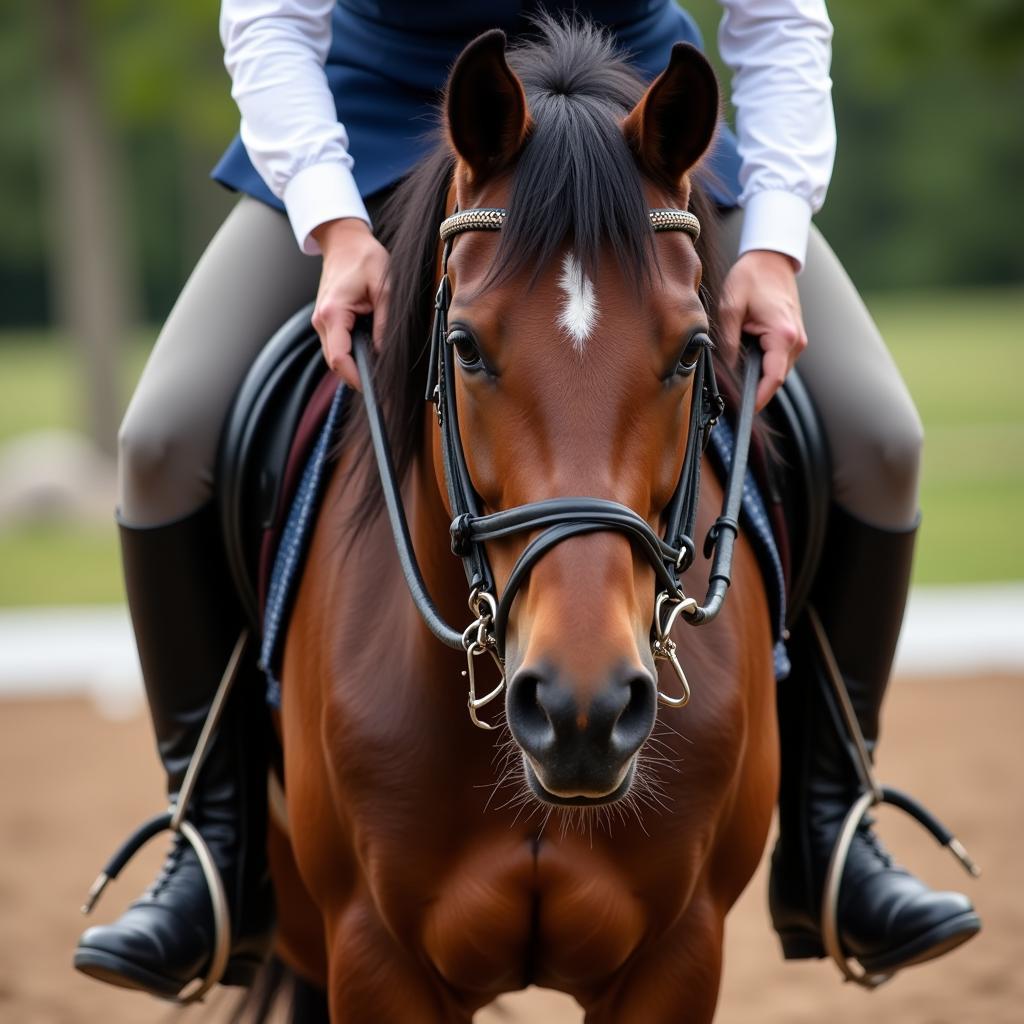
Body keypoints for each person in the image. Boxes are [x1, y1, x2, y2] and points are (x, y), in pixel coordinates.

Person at [74, 0, 979, 998]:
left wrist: (769, 244)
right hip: (381, 124)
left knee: (881, 441)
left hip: (642, 139)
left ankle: (833, 821)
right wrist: (331, 219)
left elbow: (780, 22)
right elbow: (271, 18)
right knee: (161, 440)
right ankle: (209, 838)